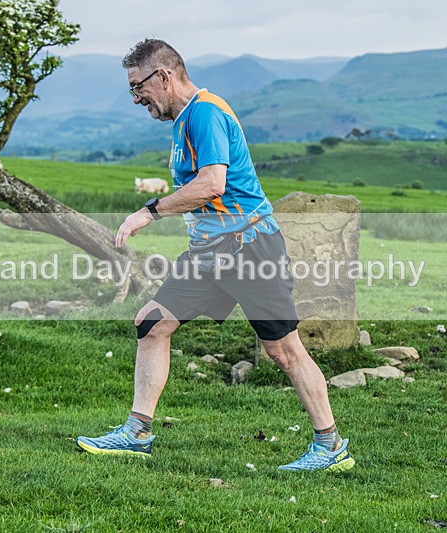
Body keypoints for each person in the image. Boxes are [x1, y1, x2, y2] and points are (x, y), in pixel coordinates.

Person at [75, 39, 355, 472]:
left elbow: (212, 185)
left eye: (138, 87)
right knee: (151, 323)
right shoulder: (187, 118)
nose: (136, 98)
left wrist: (148, 213)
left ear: (163, 77)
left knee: (283, 350)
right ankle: (136, 432)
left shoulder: (204, 113)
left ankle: (330, 445)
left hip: (248, 247)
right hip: (208, 253)